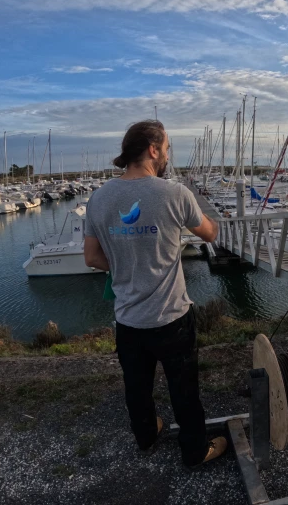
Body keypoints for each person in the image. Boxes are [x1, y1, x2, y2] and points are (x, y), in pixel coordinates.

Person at [83, 120, 227, 467]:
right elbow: (210, 233)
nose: (167, 155)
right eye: (166, 149)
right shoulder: (174, 193)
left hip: (128, 319)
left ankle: (146, 435)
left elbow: (91, 258)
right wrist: (206, 215)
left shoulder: (99, 198)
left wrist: (125, 266)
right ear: (152, 149)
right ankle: (195, 450)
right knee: (183, 388)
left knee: (137, 386)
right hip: (171, 317)